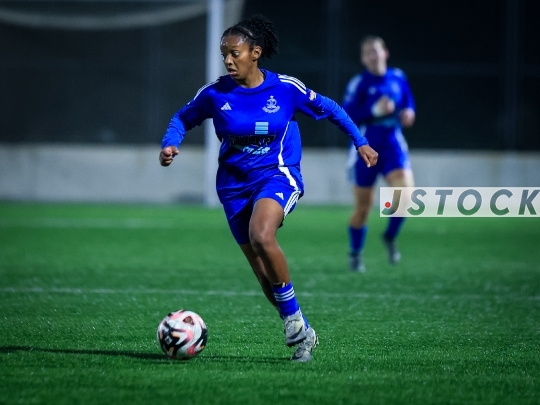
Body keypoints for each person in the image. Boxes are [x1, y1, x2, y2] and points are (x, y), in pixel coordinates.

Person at [159, 14, 378, 362]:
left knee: (262, 235)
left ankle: (293, 324)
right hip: (233, 187)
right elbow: (181, 118)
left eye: (235, 53)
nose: (228, 60)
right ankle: (302, 329)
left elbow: (330, 108)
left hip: (277, 174)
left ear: (255, 53)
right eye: (224, 54)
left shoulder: (285, 89)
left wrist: (360, 142)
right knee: (264, 276)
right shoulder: (215, 93)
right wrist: (170, 143)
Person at [342, 36, 416, 272]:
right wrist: (374, 110)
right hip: (365, 148)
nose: (373, 56)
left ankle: (390, 236)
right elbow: (346, 114)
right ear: (364, 59)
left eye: (376, 51)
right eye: (368, 53)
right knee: (364, 207)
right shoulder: (359, 83)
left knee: (405, 197)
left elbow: (408, 101)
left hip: (393, 145)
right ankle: (355, 253)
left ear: (385, 53)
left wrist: (409, 112)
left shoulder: (398, 77)